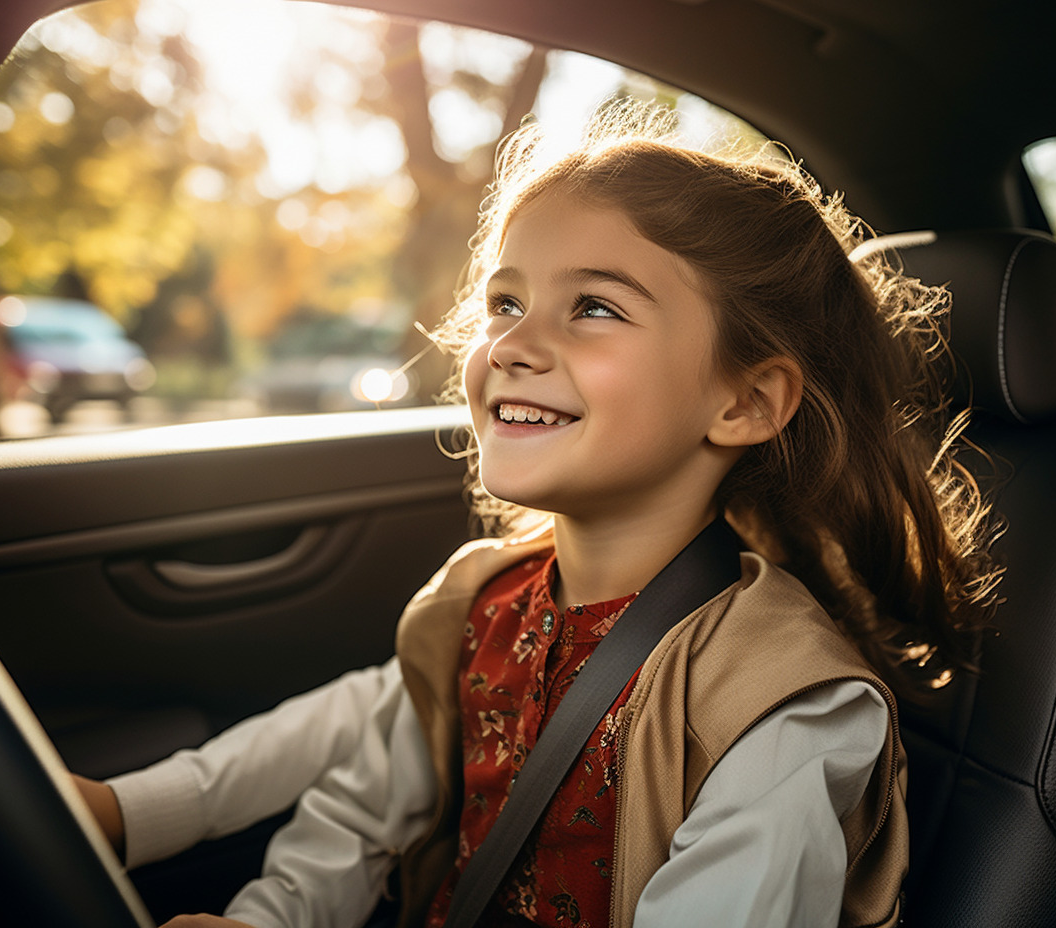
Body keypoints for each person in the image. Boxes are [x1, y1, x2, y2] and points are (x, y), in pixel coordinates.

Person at [74, 104, 999, 928]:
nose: (513, 344)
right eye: (505, 302)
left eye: (593, 307)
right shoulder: (491, 602)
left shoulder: (785, 708)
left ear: (746, 403)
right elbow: (359, 810)